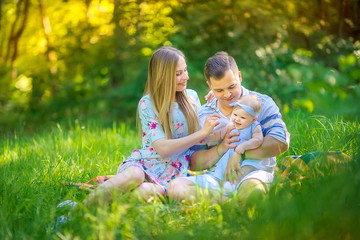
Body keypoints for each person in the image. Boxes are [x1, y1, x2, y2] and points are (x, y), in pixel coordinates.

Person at [85, 46, 220, 205]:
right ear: (163, 76)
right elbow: (163, 148)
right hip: (144, 164)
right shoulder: (148, 103)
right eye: (178, 74)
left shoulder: (191, 97)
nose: (186, 77)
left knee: (147, 191)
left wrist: (217, 102)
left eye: (185, 70)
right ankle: (79, 209)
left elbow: (203, 141)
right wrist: (202, 133)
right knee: (135, 175)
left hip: (174, 174)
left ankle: (108, 205)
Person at [167, 51, 290, 203]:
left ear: (239, 76)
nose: (227, 95)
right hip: (216, 178)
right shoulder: (204, 114)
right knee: (175, 188)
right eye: (219, 90)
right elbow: (193, 163)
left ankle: (224, 202)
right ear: (209, 86)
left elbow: (280, 143)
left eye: (232, 87)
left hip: (253, 174)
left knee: (253, 191)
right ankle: (231, 203)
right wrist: (222, 148)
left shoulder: (261, 103)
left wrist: (240, 154)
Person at [209, 94, 263, 188]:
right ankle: (220, 187)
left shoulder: (254, 126)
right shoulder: (231, 125)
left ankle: (235, 188)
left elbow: (258, 140)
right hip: (229, 154)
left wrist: (243, 147)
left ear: (253, 119)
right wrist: (209, 137)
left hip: (245, 156)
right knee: (222, 172)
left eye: (243, 118)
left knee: (241, 173)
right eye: (235, 115)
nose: (237, 119)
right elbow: (220, 134)